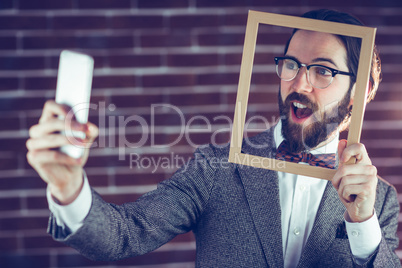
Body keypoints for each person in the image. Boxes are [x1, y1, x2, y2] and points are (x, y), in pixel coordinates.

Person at [26, 9, 400, 267]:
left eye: (322, 71)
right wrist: (69, 188)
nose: (298, 84)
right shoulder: (215, 167)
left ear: (361, 91)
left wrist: (363, 222)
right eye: (290, 65)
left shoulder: (380, 201)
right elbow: (124, 235)